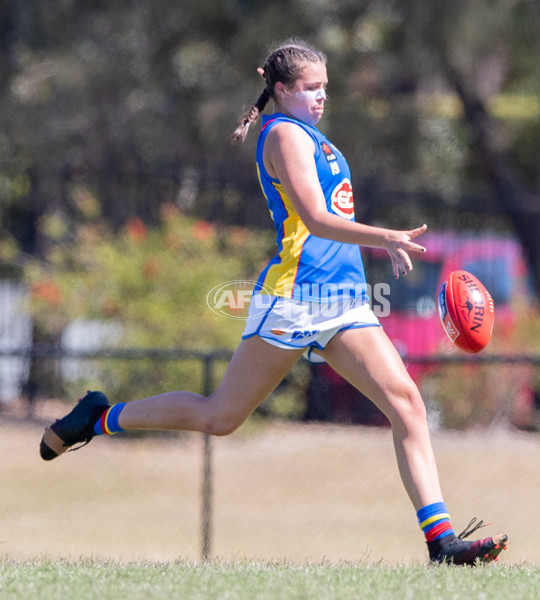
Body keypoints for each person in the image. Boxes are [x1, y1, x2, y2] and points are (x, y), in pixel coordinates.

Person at [40, 38, 508, 565]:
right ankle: (100, 417)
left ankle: (440, 542)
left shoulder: (313, 135)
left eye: (325, 88)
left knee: (407, 405)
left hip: (345, 300)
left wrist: (378, 248)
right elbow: (314, 219)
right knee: (220, 417)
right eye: (310, 88)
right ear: (280, 89)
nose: (321, 97)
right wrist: (386, 237)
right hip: (293, 299)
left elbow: (333, 222)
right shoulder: (283, 135)